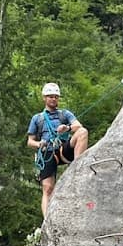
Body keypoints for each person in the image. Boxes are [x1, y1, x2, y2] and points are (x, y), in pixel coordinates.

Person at [26, 82, 89, 217]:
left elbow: (78, 126)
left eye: (55, 96)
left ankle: (78, 166)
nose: (53, 99)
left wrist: (66, 128)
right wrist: (39, 144)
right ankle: (47, 220)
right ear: (44, 98)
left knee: (83, 132)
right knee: (47, 188)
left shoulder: (64, 114)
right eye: (50, 96)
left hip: (62, 148)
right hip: (47, 151)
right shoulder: (37, 118)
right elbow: (30, 141)